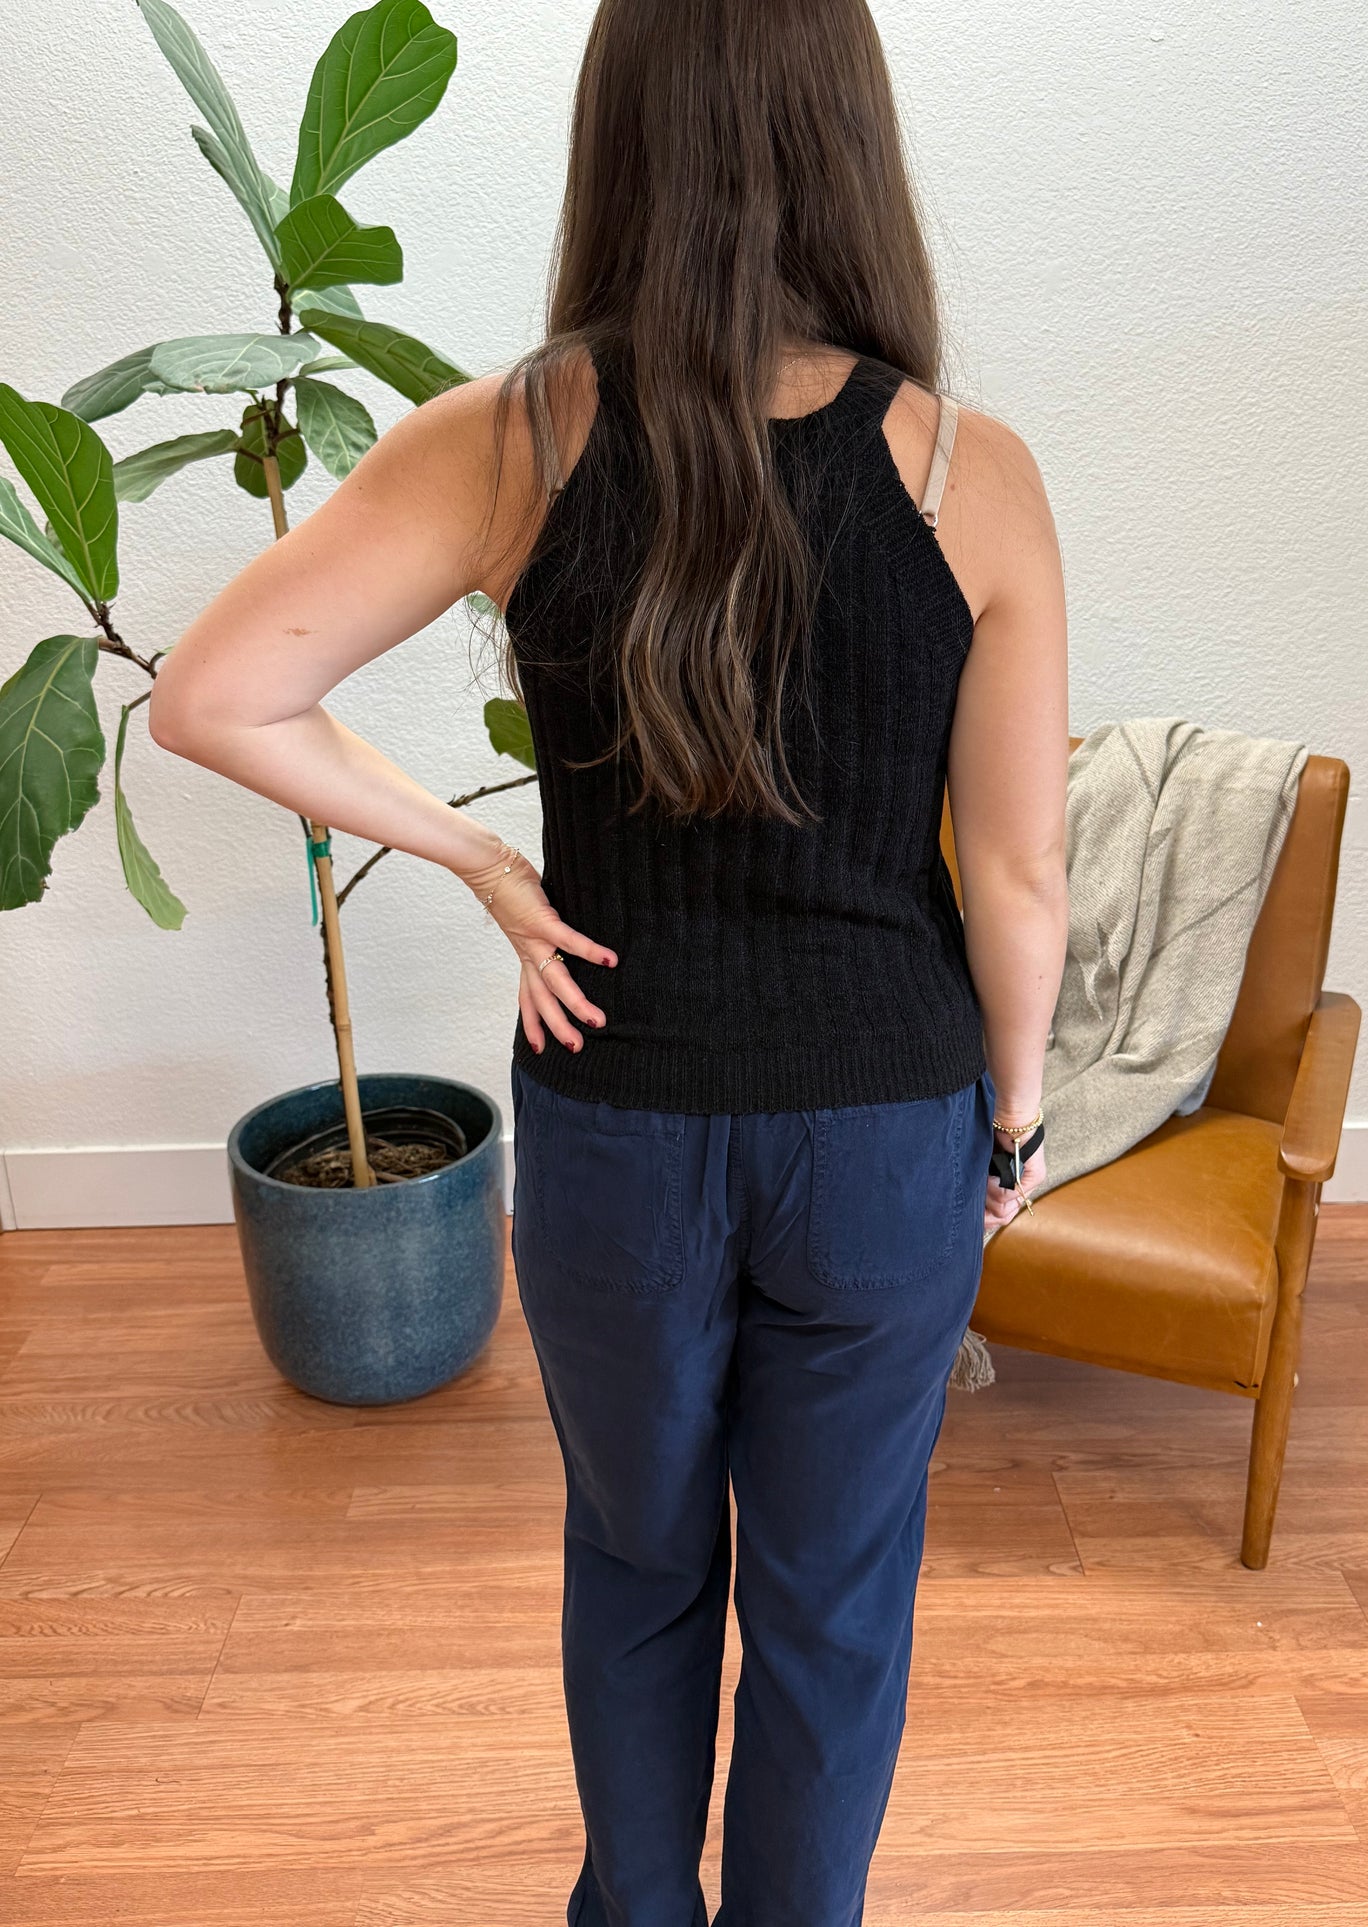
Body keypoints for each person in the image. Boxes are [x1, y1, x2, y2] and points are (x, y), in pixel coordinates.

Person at [150, 0, 1069, 1916]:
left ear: (617, 135)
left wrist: (482, 858)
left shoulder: (518, 436)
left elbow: (216, 694)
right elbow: (1020, 868)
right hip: (884, 1125)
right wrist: (1017, 1114)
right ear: (849, 139)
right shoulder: (966, 468)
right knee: (831, 1612)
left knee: (640, 1563)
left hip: (618, 1122)